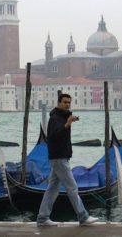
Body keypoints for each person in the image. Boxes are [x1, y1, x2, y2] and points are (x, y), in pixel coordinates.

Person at [36, 93, 99, 227]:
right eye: (65, 102)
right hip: (58, 158)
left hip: (60, 158)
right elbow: (54, 136)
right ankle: (83, 217)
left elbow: (61, 133)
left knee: (52, 189)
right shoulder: (55, 118)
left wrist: (69, 121)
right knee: (72, 187)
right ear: (59, 102)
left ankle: (42, 218)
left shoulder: (63, 117)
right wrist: (67, 124)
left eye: (69, 102)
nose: (67, 104)